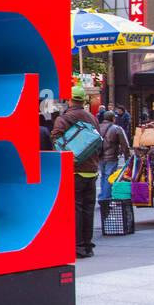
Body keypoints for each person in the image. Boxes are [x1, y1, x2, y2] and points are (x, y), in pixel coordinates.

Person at [52, 86, 101, 258]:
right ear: (83, 100)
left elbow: (56, 142)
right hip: (92, 170)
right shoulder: (92, 118)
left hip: (74, 171)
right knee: (88, 208)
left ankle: (78, 246)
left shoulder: (64, 119)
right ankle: (88, 245)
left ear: (69, 99)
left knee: (76, 208)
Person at [98, 111, 130, 202]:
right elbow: (125, 145)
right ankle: (106, 197)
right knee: (109, 176)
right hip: (111, 157)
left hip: (100, 156)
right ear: (113, 118)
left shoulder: (98, 127)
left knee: (103, 175)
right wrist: (127, 159)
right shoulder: (117, 128)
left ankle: (102, 196)